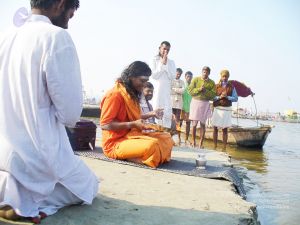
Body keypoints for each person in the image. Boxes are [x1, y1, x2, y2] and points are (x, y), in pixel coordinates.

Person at [0, 0, 98, 222]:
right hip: (37, 155)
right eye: (70, 16)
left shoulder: (4, 36)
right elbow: (70, 115)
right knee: (88, 184)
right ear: (60, 4)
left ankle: (10, 190)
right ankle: (25, 202)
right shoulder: (56, 37)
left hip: (2, 151)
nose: (67, 24)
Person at [100, 61, 174, 168]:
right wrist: (132, 124)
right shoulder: (114, 95)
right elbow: (105, 125)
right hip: (114, 143)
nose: (144, 85)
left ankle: (140, 156)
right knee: (152, 146)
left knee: (167, 138)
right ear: (131, 77)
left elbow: (134, 117)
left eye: (146, 81)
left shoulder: (131, 93)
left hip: (132, 135)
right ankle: (133, 157)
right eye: (142, 81)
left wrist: (151, 114)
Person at [149, 41, 176, 128]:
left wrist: (166, 65)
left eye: (168, 50)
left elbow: (172, 76)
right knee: (155, 110)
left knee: (167, 113)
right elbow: (154, 75)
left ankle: (165, 135)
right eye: (164, 49)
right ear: (159, 48)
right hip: (156, 92)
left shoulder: (171, 62)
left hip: (166, 92)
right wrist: (162, 64)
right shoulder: (154, 60)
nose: (166, 51)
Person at [188, 66, 216, 148]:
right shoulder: (195, 79)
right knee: (194, 124)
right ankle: (193, 141)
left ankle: (200, 143)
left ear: (209, 73)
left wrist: (205, 91)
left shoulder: (211, 83)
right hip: (195, 102)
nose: (205, 73)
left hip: (205, 104)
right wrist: (199, 89)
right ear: (202, 72)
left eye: (207, 72)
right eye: (204, 71)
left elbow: (213, 95)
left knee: (203, 124)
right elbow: (190, 91)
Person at [211, 70, 238, 150]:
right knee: (215, 128)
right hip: (217, 109)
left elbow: (236, 98)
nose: (225, 78)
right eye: (223, 76)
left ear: (228, 77)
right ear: (221, 76)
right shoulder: (216, 86)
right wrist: (219, 97)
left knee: (225, 129)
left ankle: (224, 148)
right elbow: (212, 97)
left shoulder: (232, 87)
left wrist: (227, 97)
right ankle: (215, 147)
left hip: (226, 110)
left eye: (226, 76)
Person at [171, 68, 185, 145]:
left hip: (179, 101)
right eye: (177, 73)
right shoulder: (171, 80)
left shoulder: (182, 82)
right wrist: (178, 89)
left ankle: (178, 137)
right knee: (171, 118)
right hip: (172, 100)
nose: (178, 75)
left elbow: (183, 91)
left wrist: (174, 89)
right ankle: (170, 136)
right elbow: (170, 90)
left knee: (178, 120)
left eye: (179, 74)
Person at [179, 71, 193, 145]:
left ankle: (186, 139)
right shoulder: (182, 84)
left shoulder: (193, 86)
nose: (189, 78)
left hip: (190, 107)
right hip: (182, 106)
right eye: (188, 76)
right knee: (180, 123)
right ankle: (178, 138)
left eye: (190, 77)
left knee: (188, 123)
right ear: (185, 77)